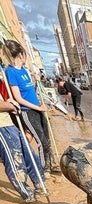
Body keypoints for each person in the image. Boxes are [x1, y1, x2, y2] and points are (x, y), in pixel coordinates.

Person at [4, 39, 57, 174]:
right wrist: (37, 108)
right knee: (41, 142)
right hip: (28, 112)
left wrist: (40, 101)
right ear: (21, 54)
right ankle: (42, 171)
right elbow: (18, 98)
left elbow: (31, 92)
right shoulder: (11, 71)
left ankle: (51, 165)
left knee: (48, 140)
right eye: (25, 55)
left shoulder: (24, 70)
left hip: (37, 108)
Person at [0, 86, 46, 204]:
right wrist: (10, 106)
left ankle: (40, 187)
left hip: (10, 123)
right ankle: (28, 196)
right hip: (1, 127)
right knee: (15, 162)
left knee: (31, 156)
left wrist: (11, 102)